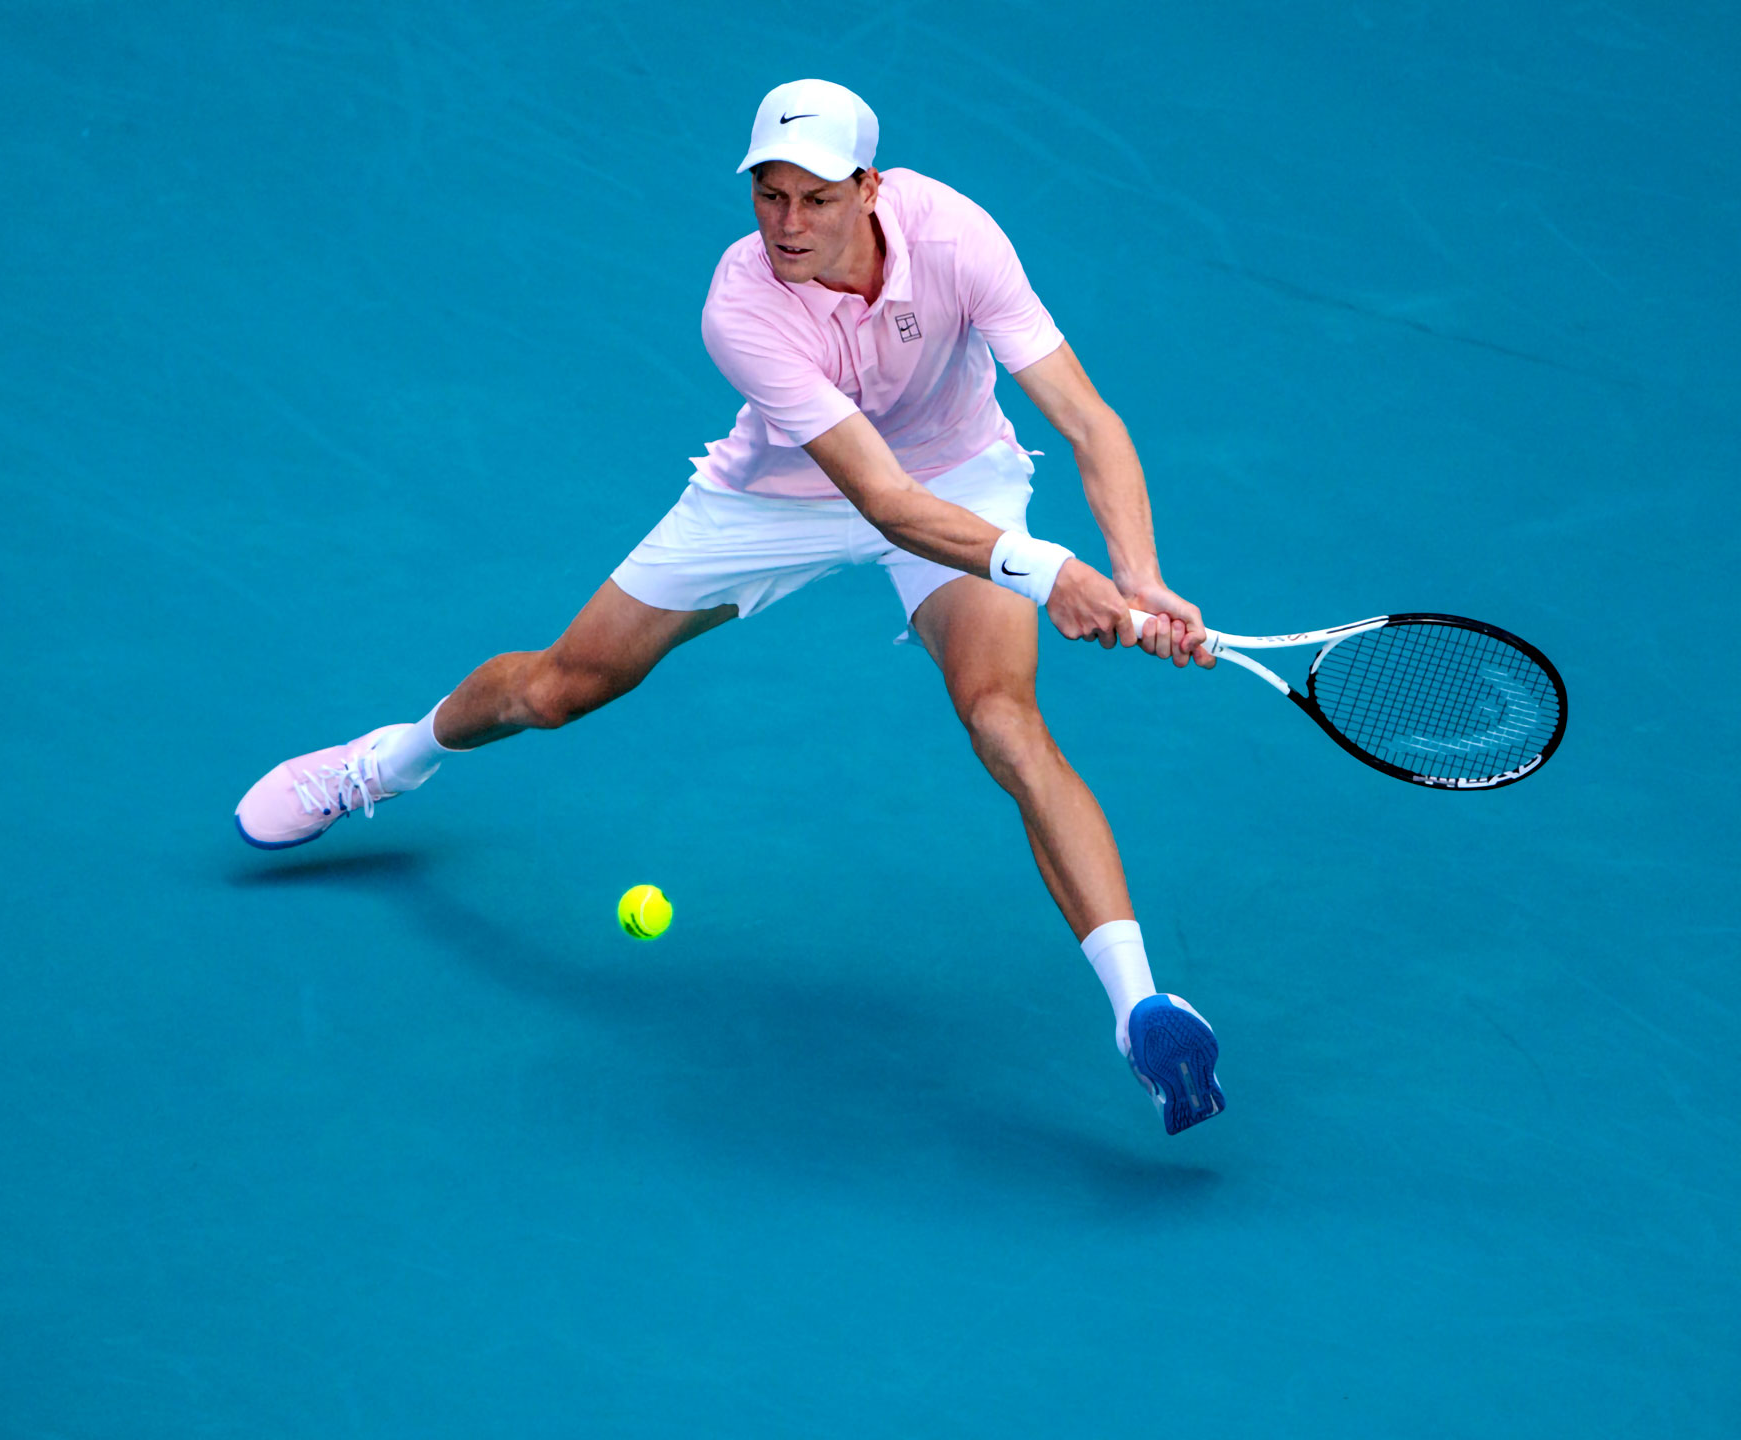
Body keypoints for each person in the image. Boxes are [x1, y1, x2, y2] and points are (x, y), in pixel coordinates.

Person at [233, 79, 1227, 1135]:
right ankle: (390, 761)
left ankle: (1141, 1009)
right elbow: (880, 504)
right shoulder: (739, 303)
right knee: (564, 687)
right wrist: (1046, 571)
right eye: (768, 196)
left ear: (869, 188)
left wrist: (1139, 572)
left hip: (961, 477)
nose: (787, 225)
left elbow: (1087, 418)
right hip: (782, 498)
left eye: (815, 198)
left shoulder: (956, 235)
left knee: (1003, 719)